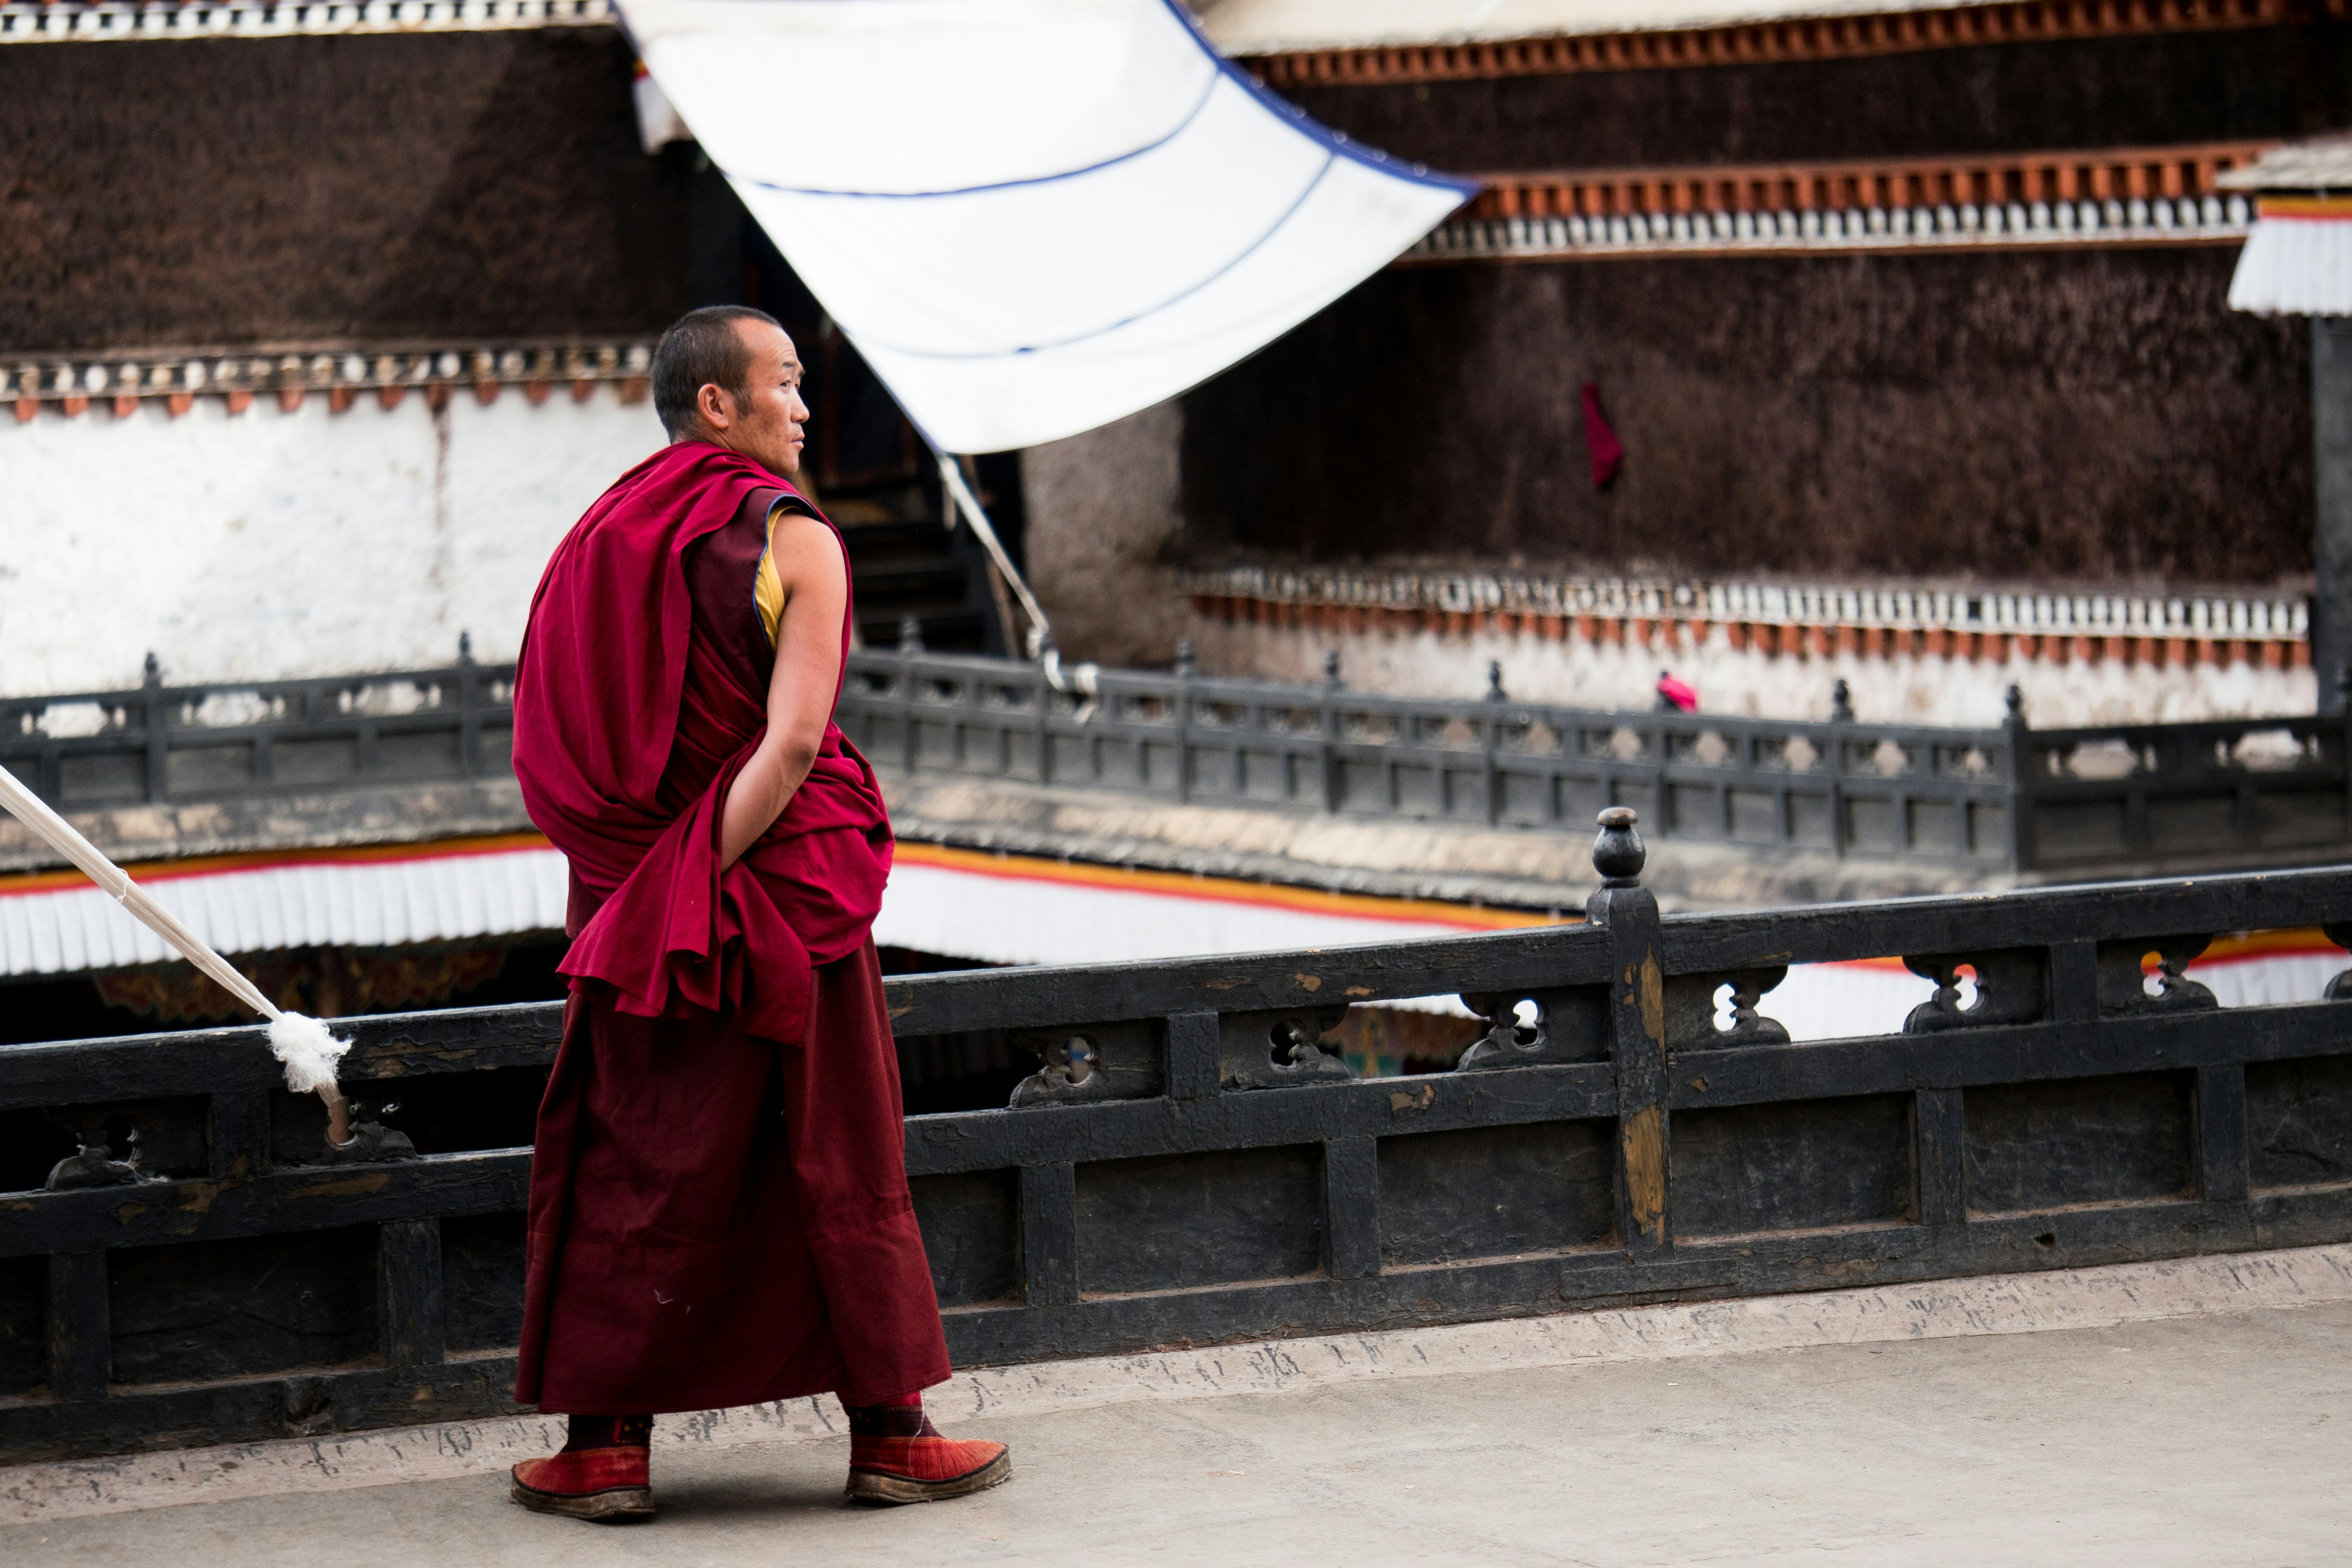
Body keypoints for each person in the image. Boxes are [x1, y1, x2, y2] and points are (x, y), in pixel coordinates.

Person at [504, 305, 1009, 1522]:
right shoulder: (799, 540)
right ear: (717, 406)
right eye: (783, 383)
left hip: (637, 908)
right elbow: (790, 744)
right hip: (772, 888)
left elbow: (553, 743)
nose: (804, 405)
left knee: (640, 1144)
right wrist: (705, 873)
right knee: (833, 1140)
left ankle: (605, 1450)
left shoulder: (594, 539)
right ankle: (892, 1433)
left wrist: (659, 882)